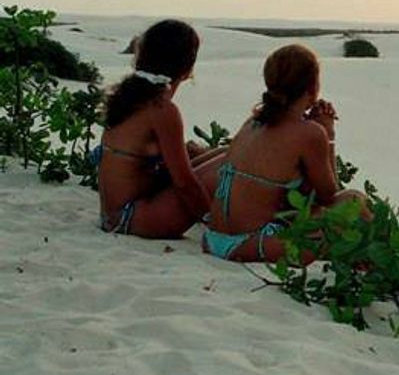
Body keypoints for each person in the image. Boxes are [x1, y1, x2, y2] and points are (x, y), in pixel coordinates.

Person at [197, 44, 365, 262]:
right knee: (354, 201)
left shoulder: (254, 121)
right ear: (313, 87)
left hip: (213, 238)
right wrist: (328, 134)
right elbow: (330, 197)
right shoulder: (310, 133)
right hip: (248, 243)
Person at [97, 20, 213, 237]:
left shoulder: (132, 95)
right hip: (129, 218)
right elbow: (184, 182)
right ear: (187, 66)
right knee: (226, 166)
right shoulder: (161, 108)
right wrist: (212, 222)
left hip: (113, 215)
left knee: (221, 154)